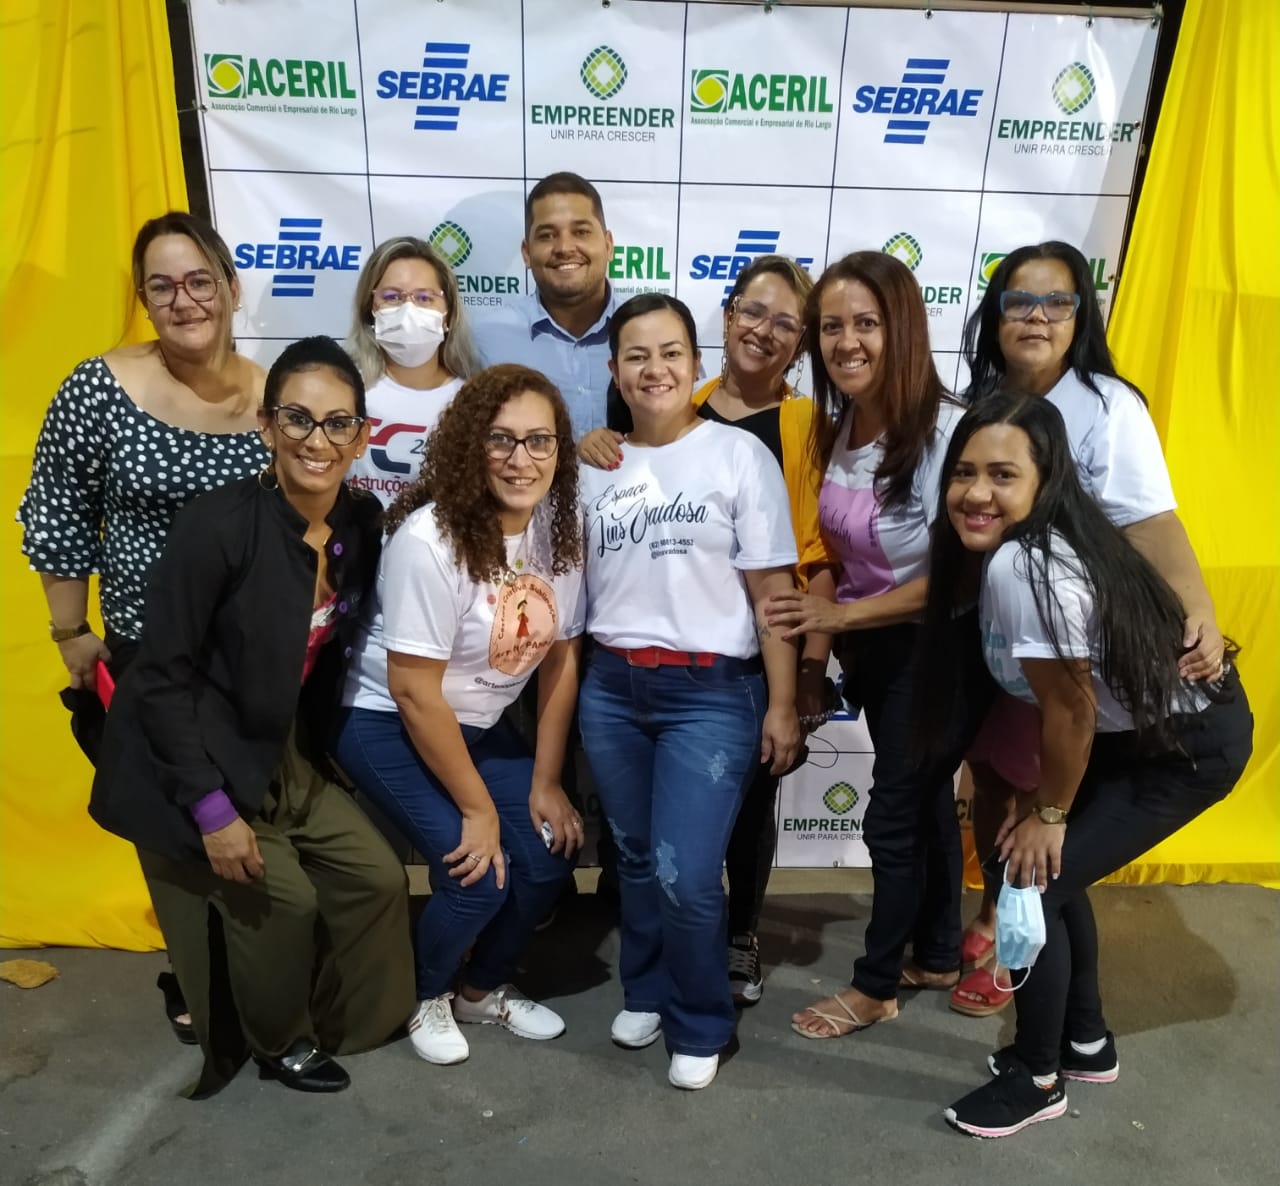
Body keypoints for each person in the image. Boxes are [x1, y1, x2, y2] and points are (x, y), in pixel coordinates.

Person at [915, 392, 1251, 1138]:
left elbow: (1071, 710)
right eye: (964, 472)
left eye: (1003, 475)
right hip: (1147, 733)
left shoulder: (1027, 565)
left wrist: (1050, 812)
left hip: (1185, 748)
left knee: (1028, 880)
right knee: (1049, 873)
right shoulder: (1027, 547)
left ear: (1046, 480)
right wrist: (1050, 813)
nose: (976, 492)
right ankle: (1085, 1041)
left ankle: (1038, 1079)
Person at [88, 336, 415, 1097]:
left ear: (362, 437)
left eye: (337, 423)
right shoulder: (216, 526)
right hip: (191, 755)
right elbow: (160, 679)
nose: (316, 440)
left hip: (281, 749)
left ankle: (341, 1019)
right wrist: (209, 809)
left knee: (376, 877)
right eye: (297, 418)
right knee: (284, 897)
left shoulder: (360, 522)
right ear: (266, 427)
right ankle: (280, 1041)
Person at [951, 241, 1227, 1018]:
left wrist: (1198, 605)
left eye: (1058, 302)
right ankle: (998, 926)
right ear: (995, 316)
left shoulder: (1108, 405)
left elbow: (1152, 522)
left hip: (1076, 648)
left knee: (1049, 820)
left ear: (1082, 317)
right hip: (1007, 635)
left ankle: (1018, 968)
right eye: (1019, 301)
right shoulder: (980, 400)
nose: (1037, 317)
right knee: (999, 783)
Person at [17, 210, 269, 1042]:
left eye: (199, 281)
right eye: (162, 287)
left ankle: (247, 968)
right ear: (143, 298)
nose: (183, 300)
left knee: (246, 823)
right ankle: (190, 975)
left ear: (231, 287)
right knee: (172, 828)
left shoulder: (273, 395)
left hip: (252, 662)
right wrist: (70, 633)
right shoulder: (101, 387)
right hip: (145, 654)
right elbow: (58, 509)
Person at [579, 255, 834, 1006]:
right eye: (754, 311)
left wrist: (799, 684)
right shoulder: (626, 437)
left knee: (710, 850)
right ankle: (648, 988)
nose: (765, 330)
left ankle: (723, 965)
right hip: (619, 681)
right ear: (727, 317)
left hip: (733, 672)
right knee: (640, 853)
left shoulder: (783, 435)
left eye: (786, 322)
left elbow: (799, 567)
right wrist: (593, 444)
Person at [765, 251, 995, 1039]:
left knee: (892, 818)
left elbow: (961, 578)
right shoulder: (840, 428)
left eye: (866, 323)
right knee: (925, 803)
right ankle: (937, 952)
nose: (847, 342)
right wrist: (837, 633)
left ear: (903, 329)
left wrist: (838, 622)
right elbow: (835, 552)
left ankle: (875, 986)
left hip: (940, 655)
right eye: (831, 326)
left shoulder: (949, 431)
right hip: (877, 653)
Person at [334, 364, 585, 1066]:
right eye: (500, 439)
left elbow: (562, 660)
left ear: (559, 451)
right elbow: (414, 692)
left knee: (545, 857)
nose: (520, 459)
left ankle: (479, 990)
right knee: (479, 876)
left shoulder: (560, 531)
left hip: (477, 725)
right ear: (470, 446)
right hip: (385, 720)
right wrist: (478, 810)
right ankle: (425, 994)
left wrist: (546, 780)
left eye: (539, 441)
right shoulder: (429, 540)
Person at [472, 172, 616, 440]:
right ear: (527, 253)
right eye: (547, 235)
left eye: (581, 232)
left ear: (608, 245)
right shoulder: (487, 339)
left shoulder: (653, 334)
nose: (564, 247)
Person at [345, 235, 480, 508]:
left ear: (448, 315)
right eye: (392, 297)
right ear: (370, 310)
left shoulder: (473, 402)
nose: (409, 310)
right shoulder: (345, 389)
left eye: (424, 298)